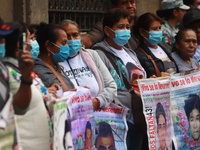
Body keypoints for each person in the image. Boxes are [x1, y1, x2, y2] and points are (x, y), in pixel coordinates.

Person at [92, 8, 147, 150]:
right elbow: (105, 85)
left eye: (128, 27)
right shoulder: (98, 54)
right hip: (119, 118)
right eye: (121, 27)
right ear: (107, 30)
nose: (125, 31)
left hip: (137, 115)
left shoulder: (130, 53)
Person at [2, 21, 53, 150]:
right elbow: (19, 107)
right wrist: (25, 79)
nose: (32, 43)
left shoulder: (20, 69)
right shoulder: (7, 72)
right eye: (30, 39)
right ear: (20, 44)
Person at [59, 19, 117, 110]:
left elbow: (111, 86)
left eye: (75, 35)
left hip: (99, 114)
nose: (71, 40)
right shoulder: (56, 62)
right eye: (67, 36)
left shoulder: (91, 55)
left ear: (80, 36)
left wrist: (98, 101)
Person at [134, 12, 178, 78]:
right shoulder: (139, 55)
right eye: (154, 29)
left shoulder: (164, 47)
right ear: (142, 32)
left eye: (159, 28)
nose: (158, 31)